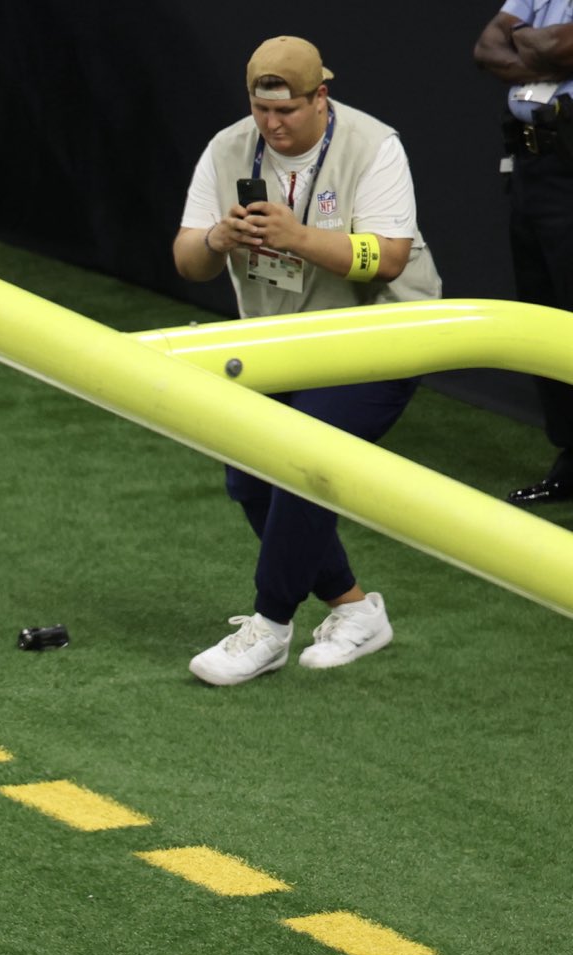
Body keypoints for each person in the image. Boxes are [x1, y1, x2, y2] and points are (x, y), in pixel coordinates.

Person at [173, 36, 441, 687]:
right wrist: (217, 237)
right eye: (262, 111)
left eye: (287, 111)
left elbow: (392, 257)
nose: (271, 125)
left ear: (321, 96)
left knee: (305, 455)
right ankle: (355, 610)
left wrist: (297, 238)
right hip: (278, 341)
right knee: (247, 479)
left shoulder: (373, 145)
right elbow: (187, 257)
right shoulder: (227, 147)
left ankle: (269, 627)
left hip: (380, 334)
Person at [474, 4, 573, 506]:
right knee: (544, 316)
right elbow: (486, 46)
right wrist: (547, 51)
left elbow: (560, 47)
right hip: (534, 164)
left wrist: (533, 43)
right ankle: (572, 458)